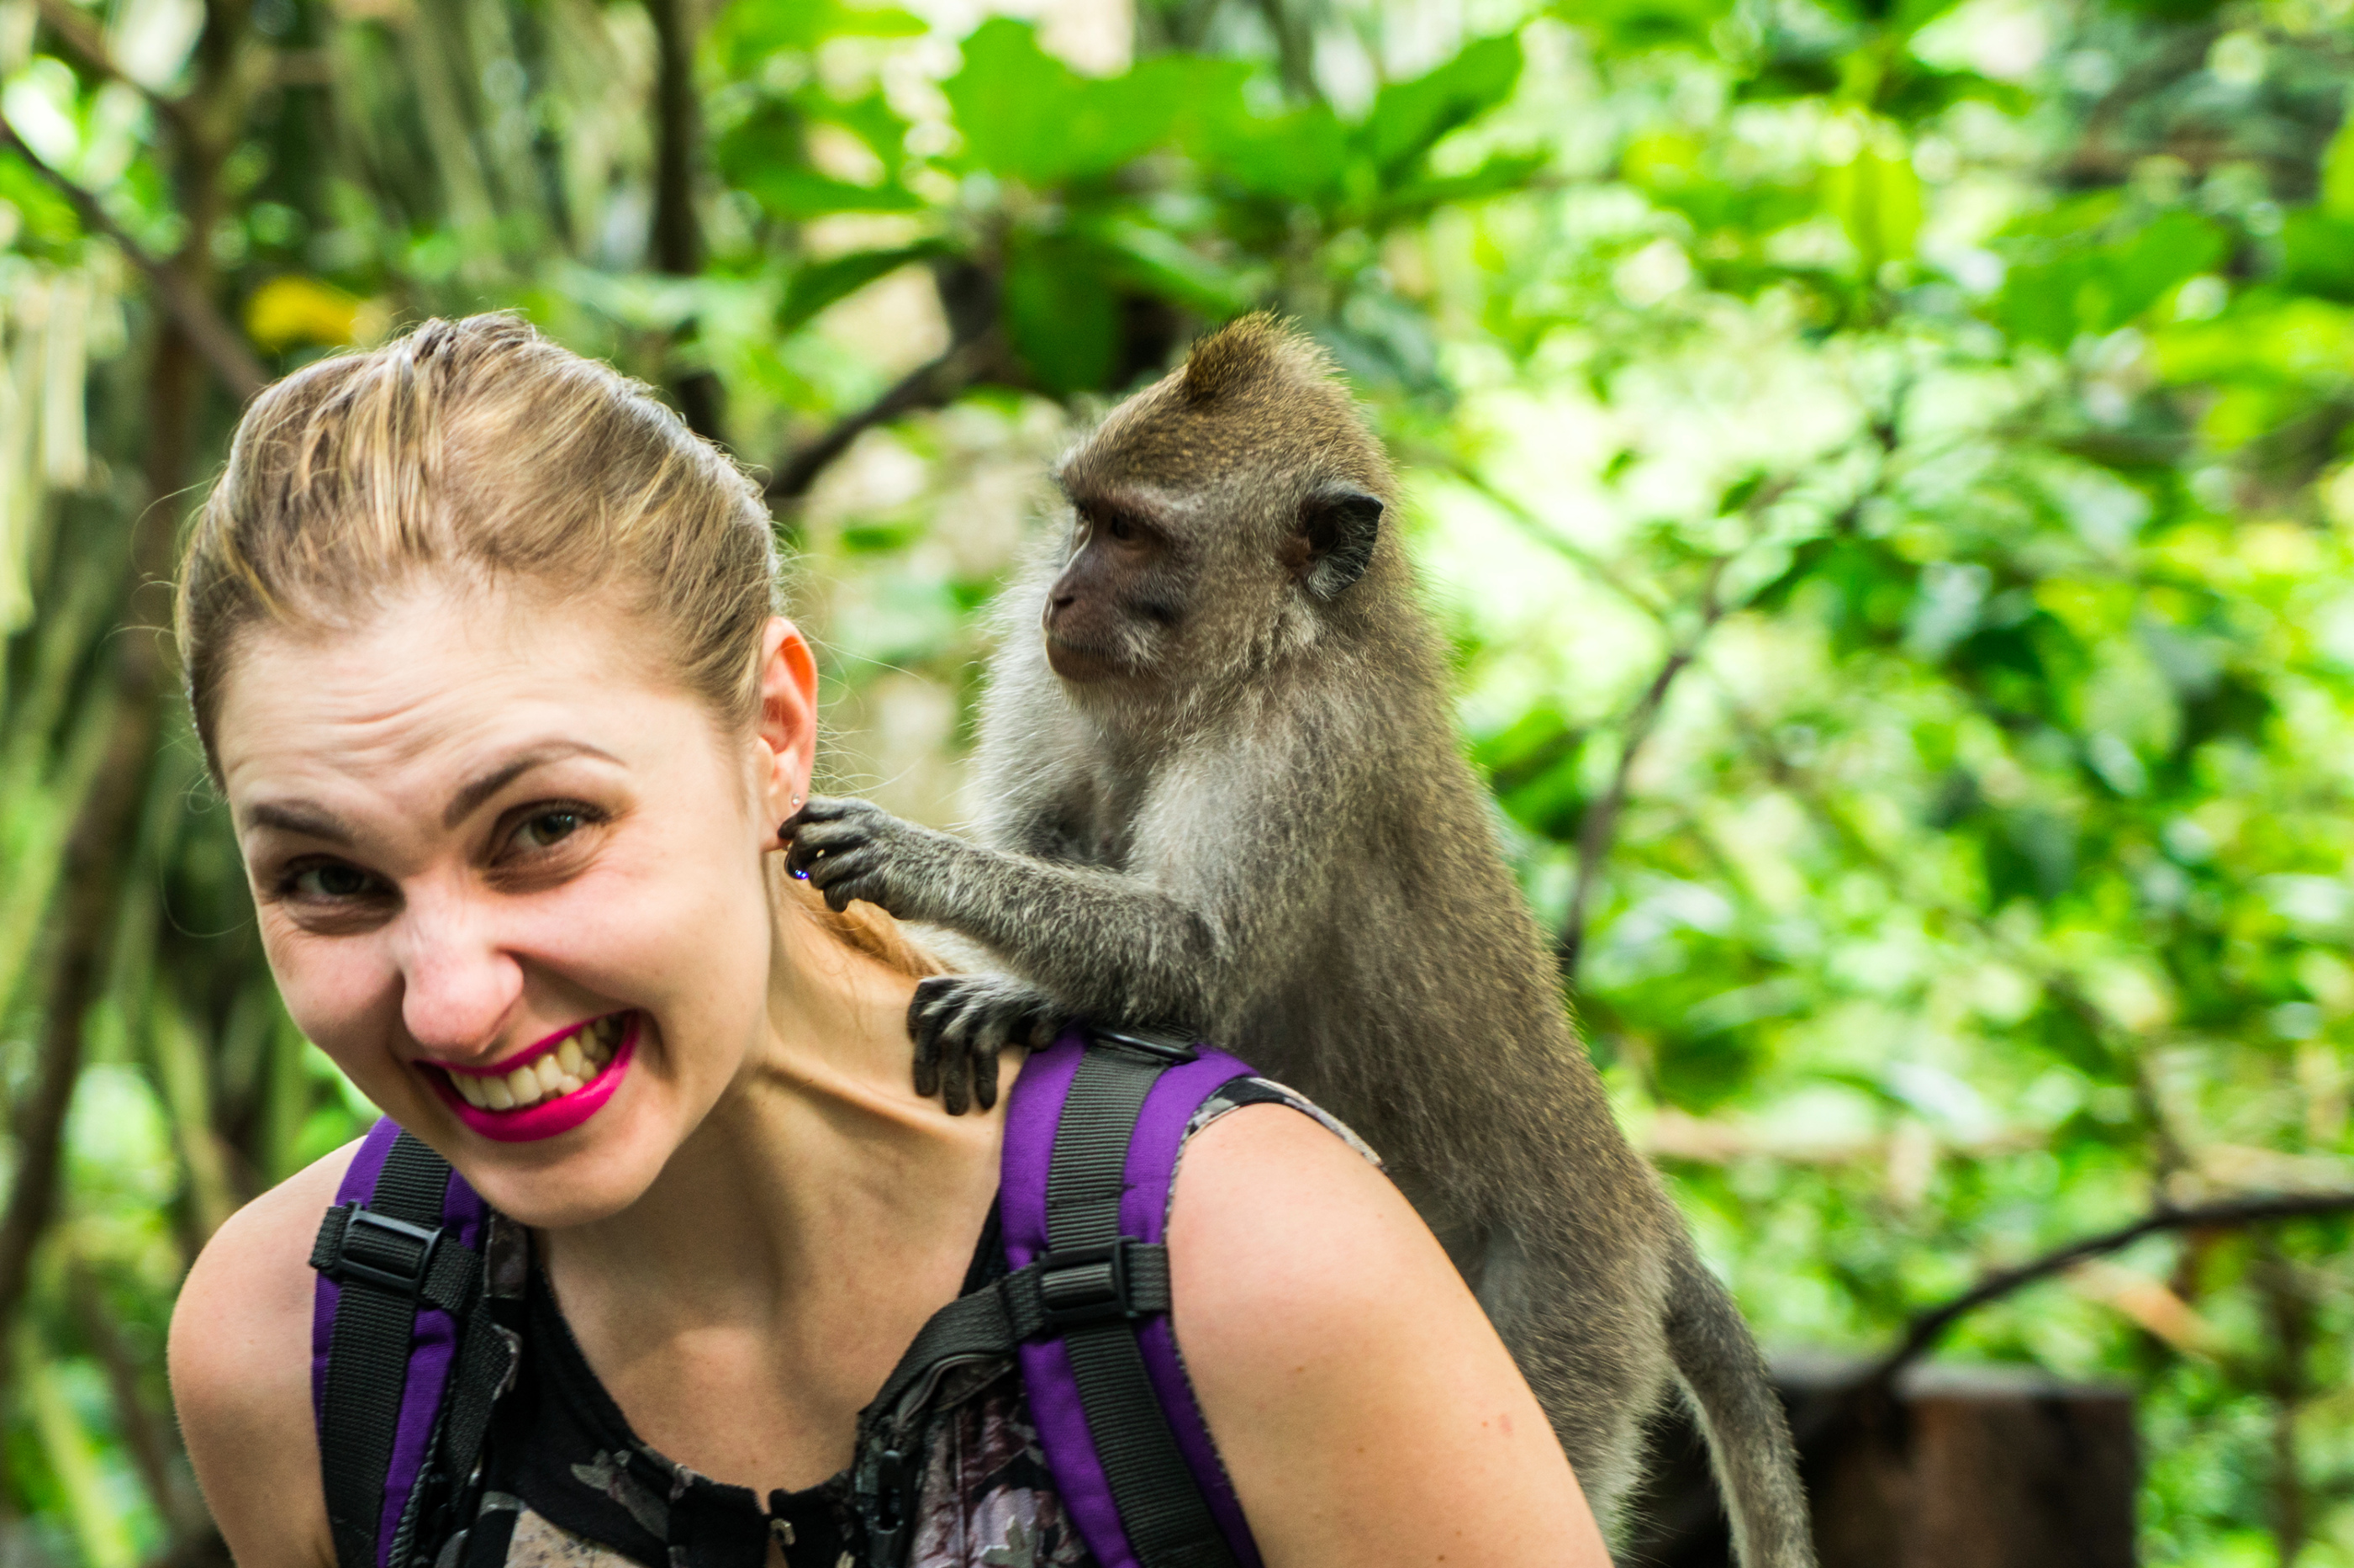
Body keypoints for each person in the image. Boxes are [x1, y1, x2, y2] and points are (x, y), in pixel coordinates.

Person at [166, 315, 1607, 1568]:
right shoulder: (300, 1339)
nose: (455, 1004)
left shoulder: (1254, 1270)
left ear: (775, 737)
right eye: (328, 876)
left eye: (543, 827)